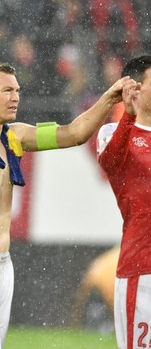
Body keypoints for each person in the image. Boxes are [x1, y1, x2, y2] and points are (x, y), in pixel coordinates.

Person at [0, 50, 137, 348]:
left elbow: (74, 134)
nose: (16, 97)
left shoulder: (16, 136)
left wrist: (110, 97)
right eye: (7, 91)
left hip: (2, 265)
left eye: (17, 90)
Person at [96, 55, 151, 349]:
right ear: (135, 89)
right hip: (142, 270)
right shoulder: (111, 134)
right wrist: (127, 116)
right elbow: (111, 162)